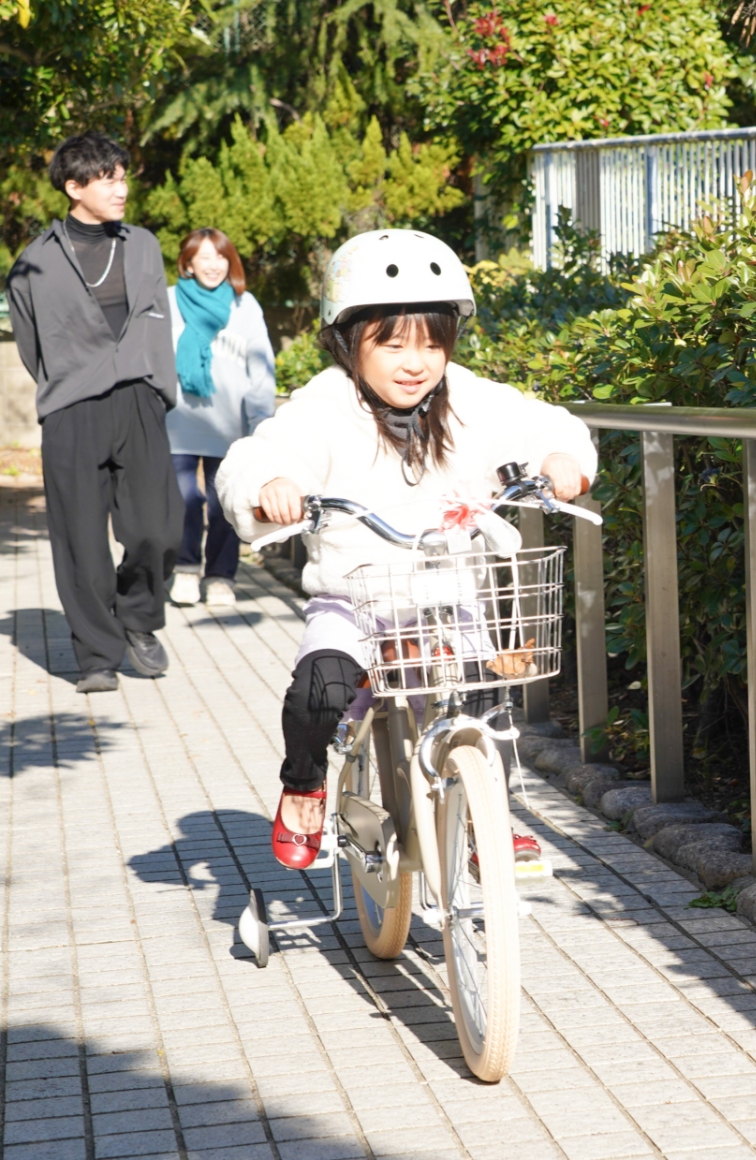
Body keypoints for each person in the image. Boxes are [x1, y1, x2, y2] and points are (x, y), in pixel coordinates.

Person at [217, 229, 597, 869]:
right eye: (391, 343)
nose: (414, 362)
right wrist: (269, 486)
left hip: (448, 595)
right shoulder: (324, 404)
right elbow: (255, 456)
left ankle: (488, 817)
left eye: (431, 342)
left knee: (481, 700)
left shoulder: (470, 398)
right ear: (347, 342)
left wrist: (561, 458)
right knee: (318, 689)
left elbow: (546, 423)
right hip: (353, 598)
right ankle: (305, 785)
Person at [6, 132, 184, 694]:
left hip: (138, 399)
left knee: (156, 528)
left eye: (122, 175)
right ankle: (97, 655)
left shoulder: (143, 245)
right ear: (73, 186)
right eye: (107, 178)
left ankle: (138, 619)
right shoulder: (32, 264)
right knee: (80, 538)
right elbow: (32, 347)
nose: (121, 187)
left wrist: (156, 389)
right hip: (71, 410)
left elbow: (157, 320)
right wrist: (69, 386)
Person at [166, 228, 275, 607]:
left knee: (224, 503)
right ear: (188, 263)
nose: (214, 265)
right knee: (184, 499)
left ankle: (220, 577)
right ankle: (184, 569)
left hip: (229, 427)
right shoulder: (167, 302)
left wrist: (260, 424)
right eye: (205, 257)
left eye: (221, 257)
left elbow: (261, 369)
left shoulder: (245, 307)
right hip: (176, 424)